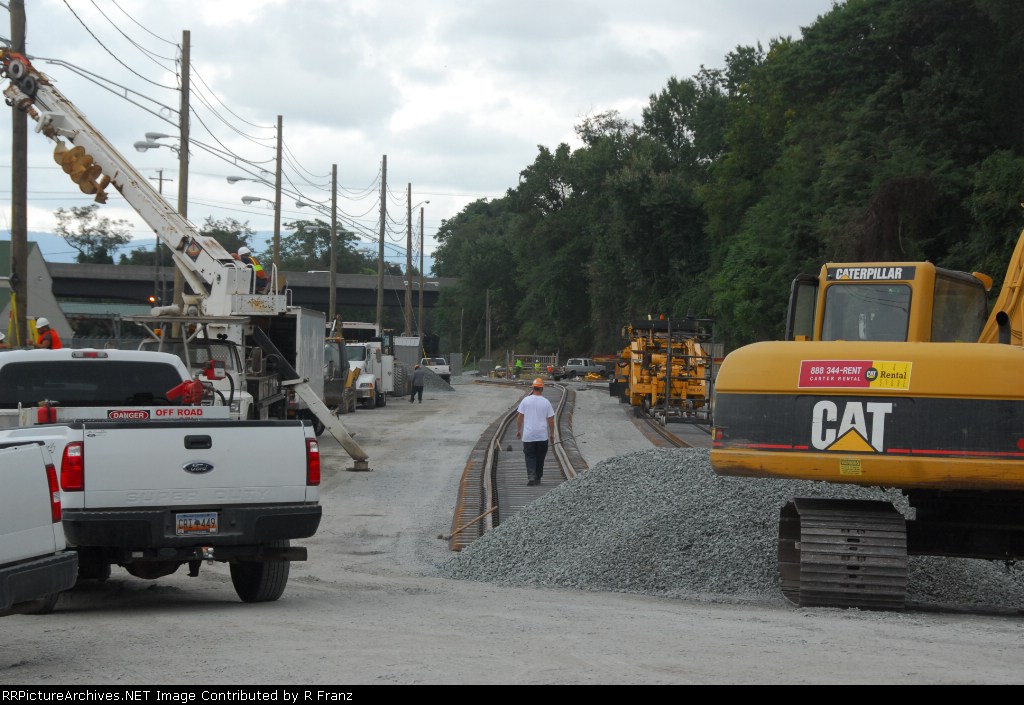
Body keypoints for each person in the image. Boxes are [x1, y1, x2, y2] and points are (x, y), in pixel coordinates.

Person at [515, 377, 555, 486]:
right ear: (542, 389)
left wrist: (518, 430)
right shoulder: (546, 402)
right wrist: (552, 433)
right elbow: (551, 420)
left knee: (530, 456)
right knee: (540, 457)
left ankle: (532, 475)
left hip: (528, 436)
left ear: (533, 388)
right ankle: (538, 477)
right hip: (542, 436)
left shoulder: (525, 401)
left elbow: (520, 417)